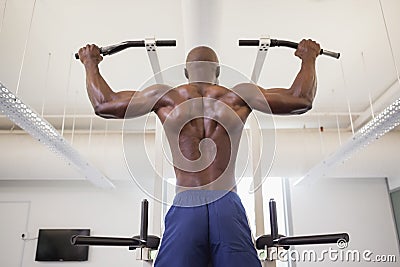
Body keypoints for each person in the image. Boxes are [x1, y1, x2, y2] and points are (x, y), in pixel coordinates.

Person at [78, 39, 320, 267]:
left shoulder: (165, 97)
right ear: (217, 72)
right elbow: (301, 99)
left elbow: (104, 104)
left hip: (186, 202)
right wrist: (308, 58)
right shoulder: (239, 96)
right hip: (226, 201)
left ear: (185, 72)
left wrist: (91, 63)